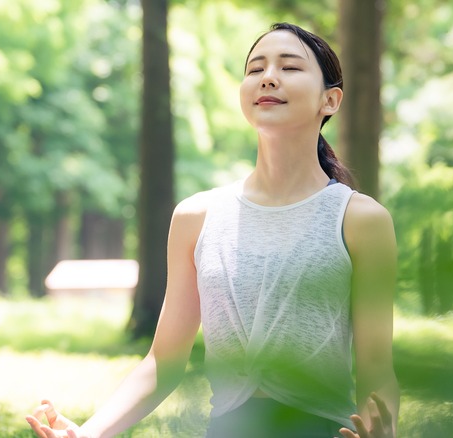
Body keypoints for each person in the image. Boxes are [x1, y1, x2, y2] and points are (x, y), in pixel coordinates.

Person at [26, 22, 399, 438]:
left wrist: (381, 430)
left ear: (329, 100)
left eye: (289, 67)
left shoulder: (360, 220)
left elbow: (376, 367)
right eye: (255, 69)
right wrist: (88, 433)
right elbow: (162, 363)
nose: (268, 77)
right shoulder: (196, 216)